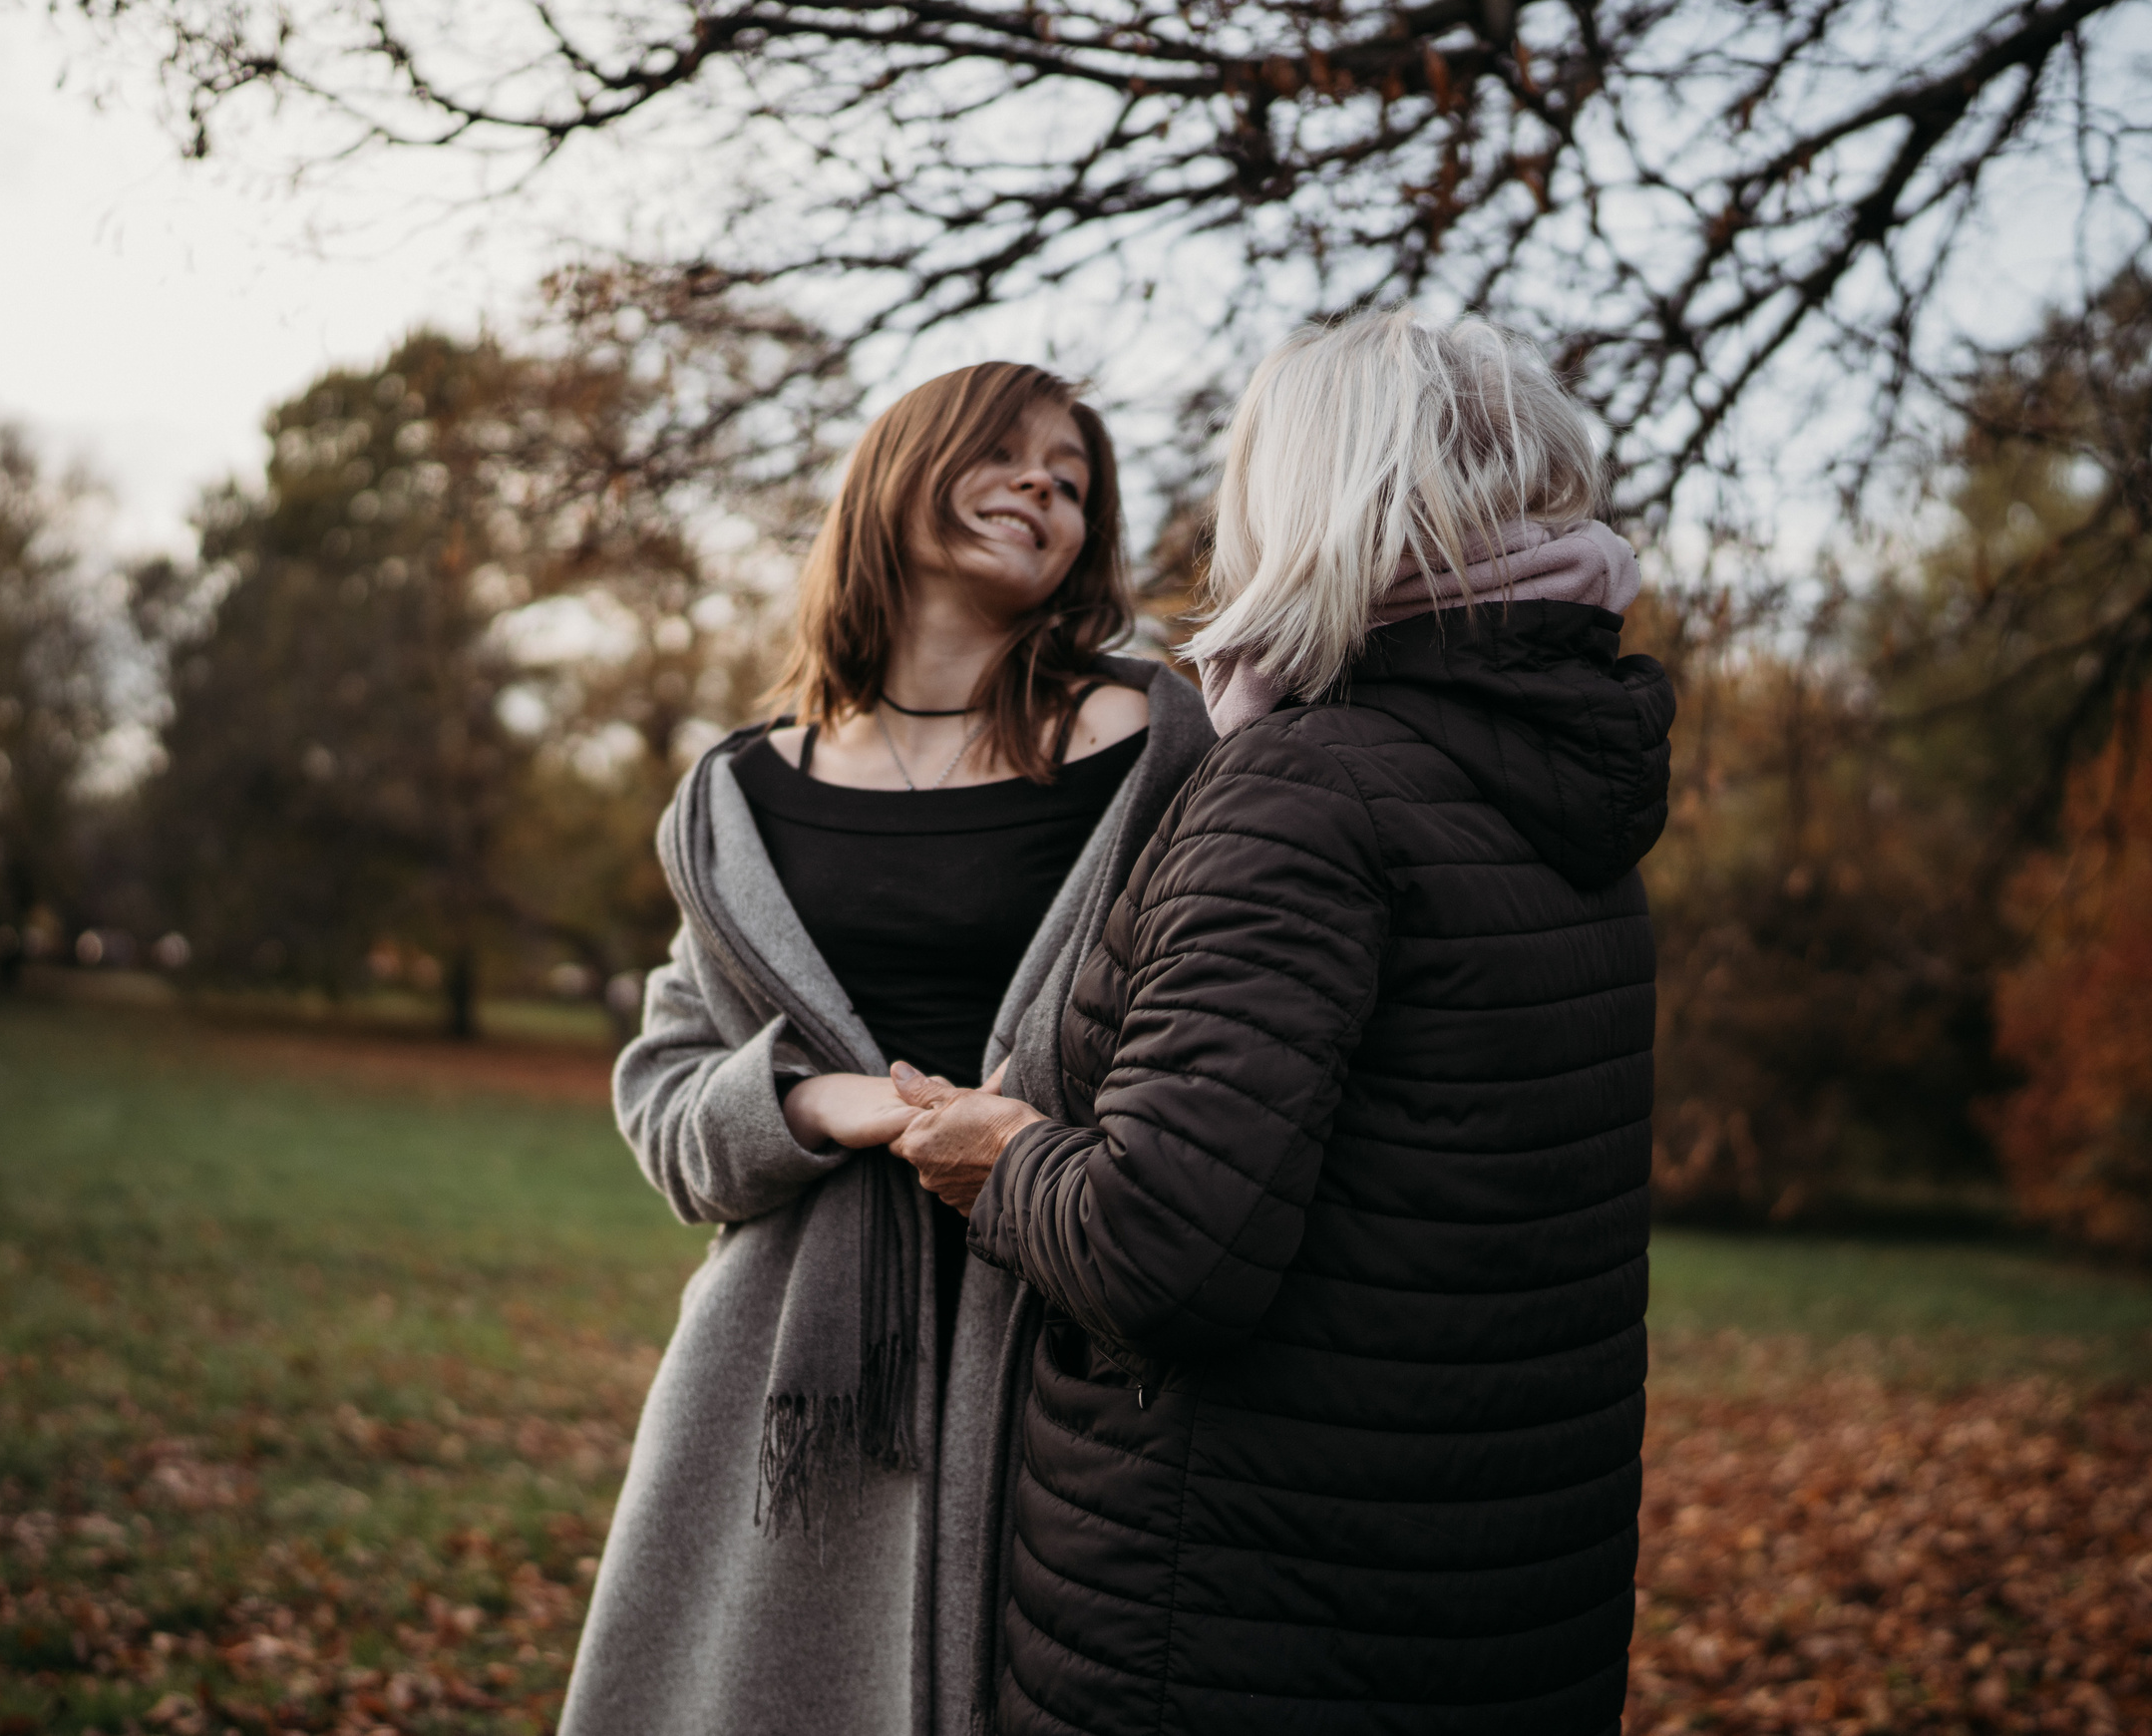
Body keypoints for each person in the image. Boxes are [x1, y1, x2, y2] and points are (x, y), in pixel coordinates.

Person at [890, 307, 1676, 1734]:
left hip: (1225, 1627)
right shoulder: (1572, 801)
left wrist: (997, 1152)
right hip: (1495, 1620)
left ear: (1315, 496)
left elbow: (1163, 1250)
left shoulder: (1309, 786)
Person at [561, 362, 1216, 1736]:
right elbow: (670, 1110)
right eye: (1008, 452)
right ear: (902, 468)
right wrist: (822, 1101)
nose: (1046, 486)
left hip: (1049, 1336)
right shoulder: (742, 794)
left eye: (1075, 479)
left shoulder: (1148, 743)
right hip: (782, 1386)